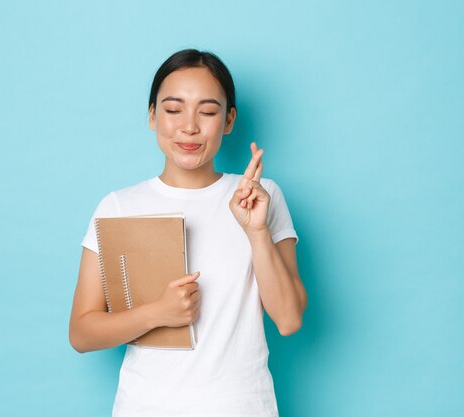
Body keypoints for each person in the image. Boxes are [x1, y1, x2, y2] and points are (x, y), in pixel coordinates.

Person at [69, 48, 308, 417]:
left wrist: (256, 232)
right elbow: (82, 333)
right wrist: (157, 313)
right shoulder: (118, 205)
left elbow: (289, 319)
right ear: (152, 115)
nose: (190, 126)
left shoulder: (260, 196)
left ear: (229, 120)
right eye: (173, 109)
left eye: (208, 111)